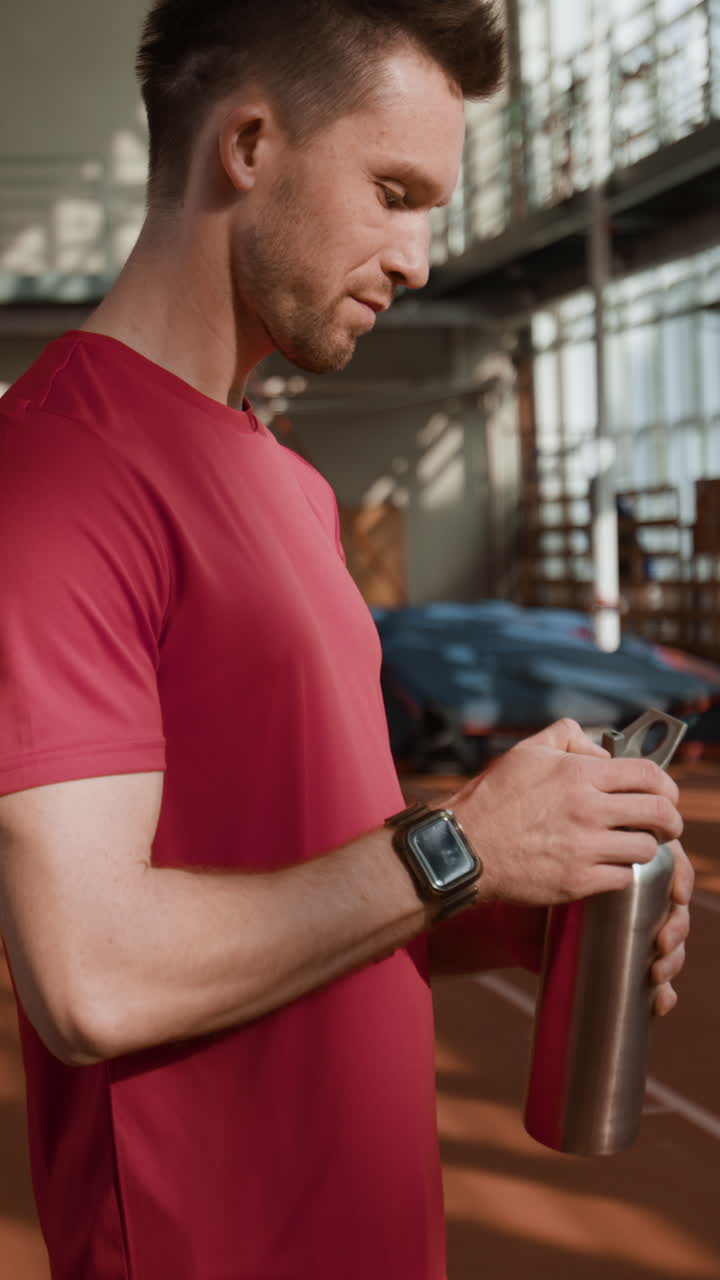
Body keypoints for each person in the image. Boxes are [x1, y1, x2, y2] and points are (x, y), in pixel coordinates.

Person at [0, 3, 691, 1278]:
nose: (421, 256)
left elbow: (333, 873)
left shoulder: (291, 483)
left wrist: (519, 893)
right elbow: (88, 974)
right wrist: (464, 845)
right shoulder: (58, 472)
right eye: (393, 191)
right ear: (249, 142)